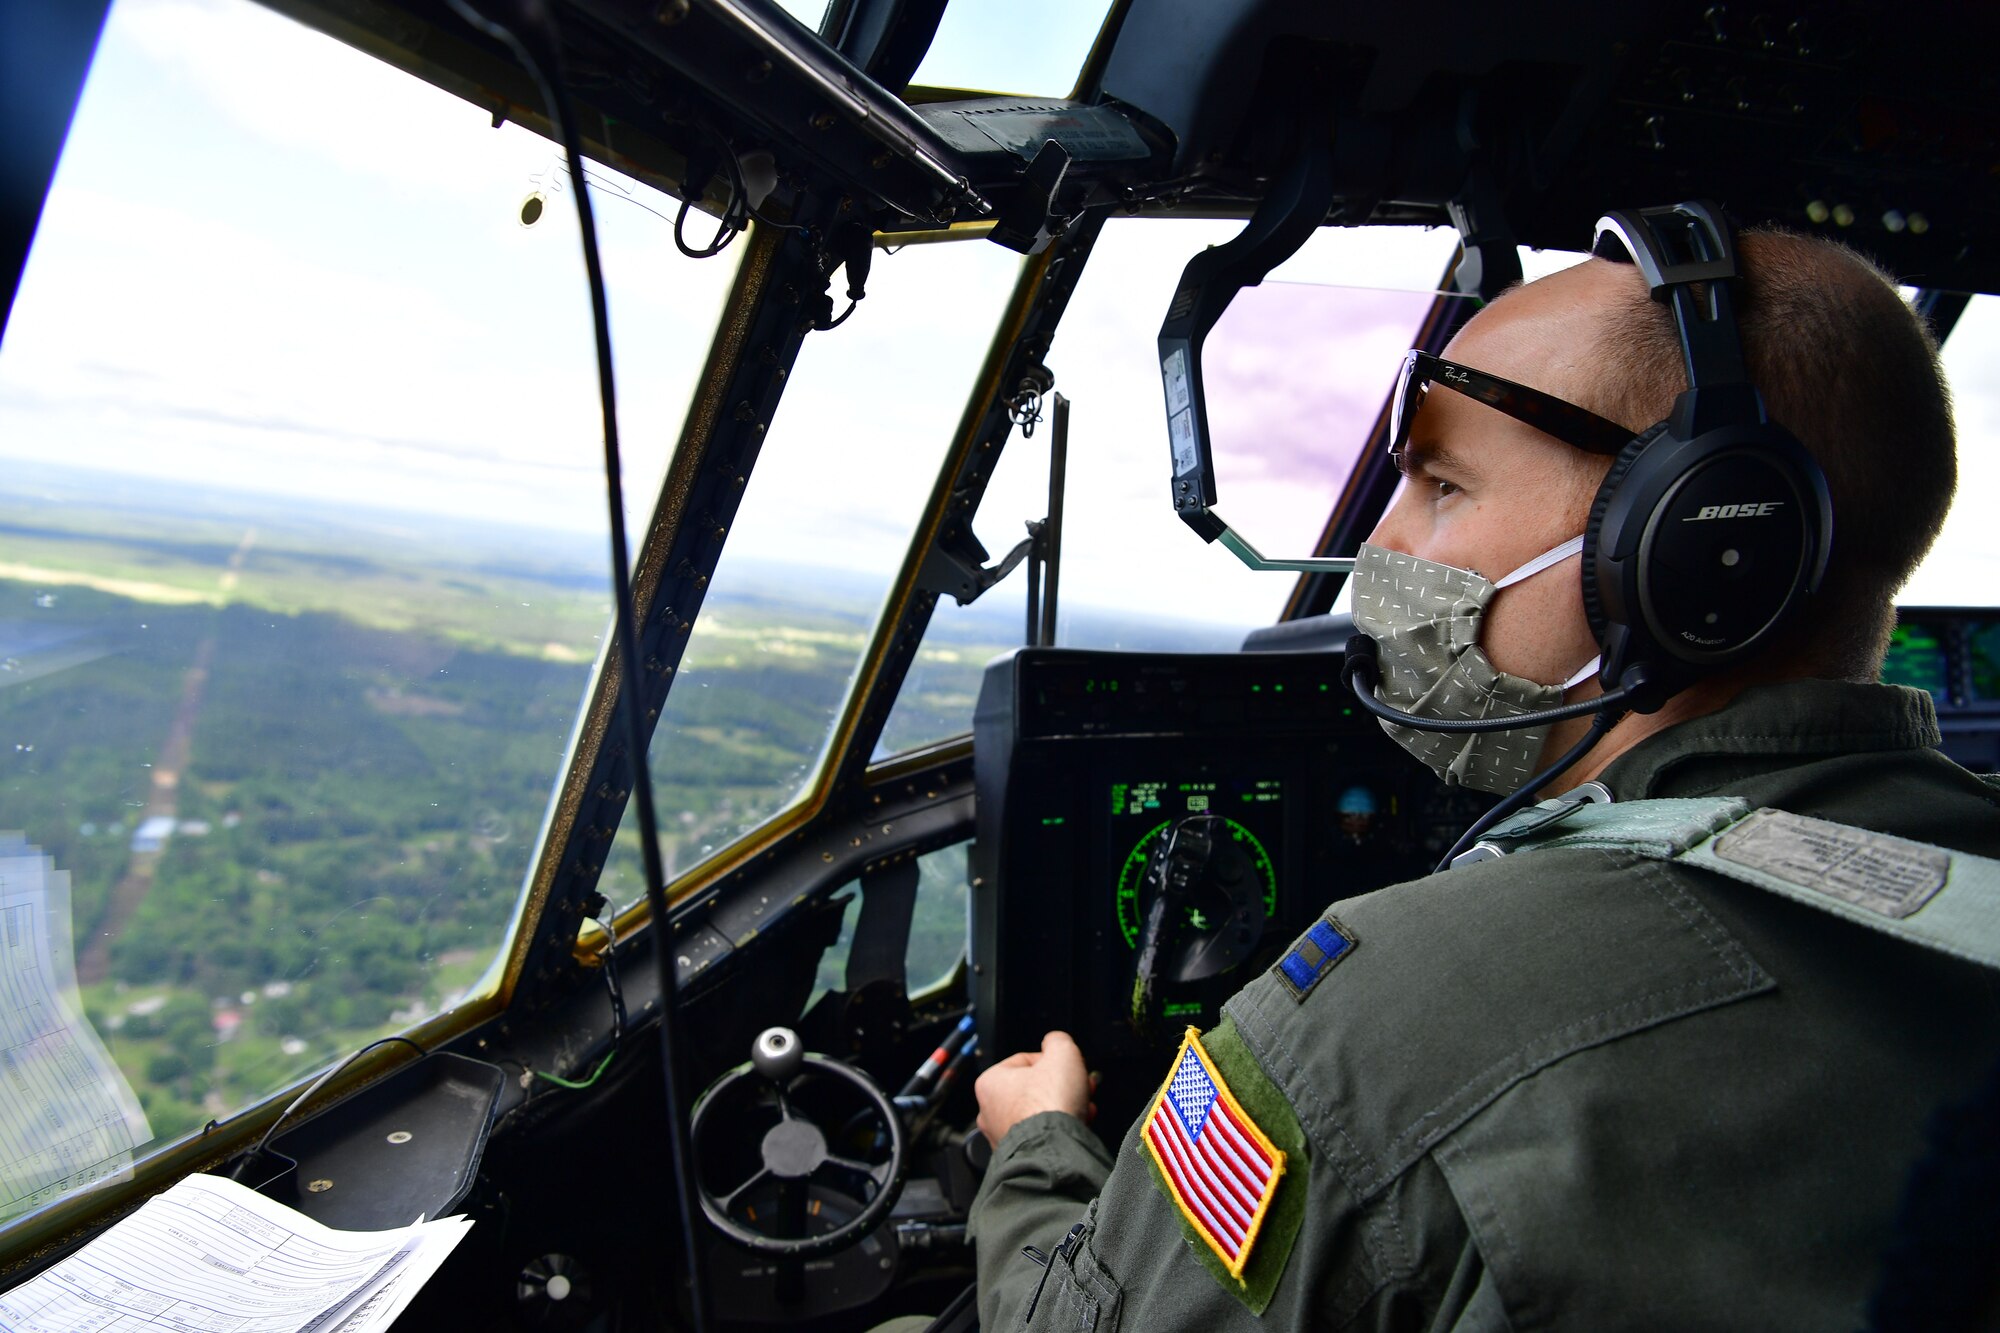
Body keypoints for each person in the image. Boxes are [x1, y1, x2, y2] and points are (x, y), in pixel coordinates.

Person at [967, 224, 2000, 1329]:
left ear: (1696, 543)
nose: (1380, 545)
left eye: (1440, 482)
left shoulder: (1382, 1014)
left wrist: (1034, 1141)